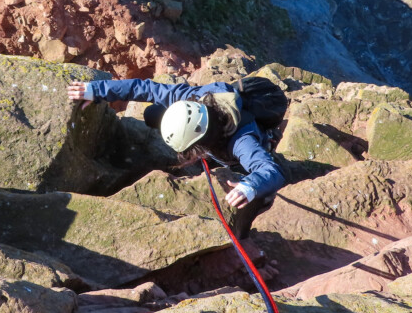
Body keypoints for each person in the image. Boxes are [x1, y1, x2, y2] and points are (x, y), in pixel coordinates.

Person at [67, 77, 286, 238]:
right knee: (152, 114)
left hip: (240, 147)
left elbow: (271, 171)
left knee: (246, 177)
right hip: (212, 126)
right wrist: (96, 90)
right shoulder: (189, 99)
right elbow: (143, 88)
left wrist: (249, 186)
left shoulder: (241, 142)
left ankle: (266, 142)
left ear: (202, 145)